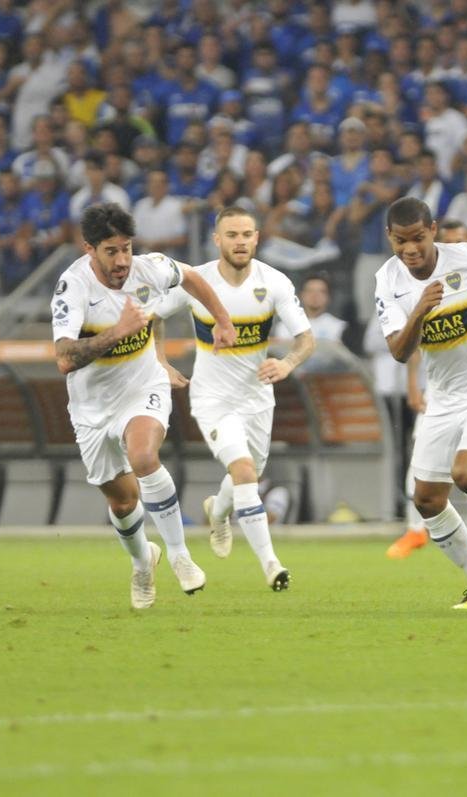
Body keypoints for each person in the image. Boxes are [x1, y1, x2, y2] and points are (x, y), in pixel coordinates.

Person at [51, 203, 236, 609]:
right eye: (111, 251)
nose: (121, 260)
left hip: (141, 386)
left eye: (126, 249)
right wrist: (117, 333)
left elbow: (190, 276)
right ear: (89, 250)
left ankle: (180, 555)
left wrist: (222, 320)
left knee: (144, 456)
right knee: (122, 501)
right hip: (92, 407)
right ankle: (142, 561)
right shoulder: (73, 287)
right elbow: (65, 358)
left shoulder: (149, 267)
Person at [153, 206, 314, 591]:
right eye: (232, 235)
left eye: (246, 235)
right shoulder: (196, 282)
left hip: (258, 398)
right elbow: (153, 317)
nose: (240, 242)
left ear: (257, 237)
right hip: (212, 399)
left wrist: (288, 363)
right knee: (244, 472)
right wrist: (160, 364)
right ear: (217, 240)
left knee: (248, 474)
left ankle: (219, 510)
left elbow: (305, 338)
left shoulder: (274, 282)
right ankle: (272, 565)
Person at [373, 197, 467, 609]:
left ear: (433, 230)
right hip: (443, 397)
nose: (410, 249)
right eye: (401, 241)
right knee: (427, 499)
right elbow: (399, 352)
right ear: (390, 238)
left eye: (418, 238)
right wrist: (419, 310)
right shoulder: (388, 280)